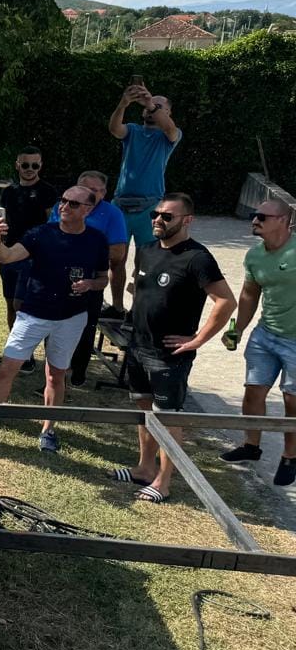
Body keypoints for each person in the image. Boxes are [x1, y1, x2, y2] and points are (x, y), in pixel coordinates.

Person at [106, 194, 233, 502]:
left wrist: (197, 340)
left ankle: (163, 483)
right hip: (138, 347)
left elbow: (225, 301)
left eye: (167, 216)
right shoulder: (147, 250)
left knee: (168, 418)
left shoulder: (197, 257)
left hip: (169, 356)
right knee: (144, 412)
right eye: (156, 214)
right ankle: (144, 469)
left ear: (187, 220)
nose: (158, 220)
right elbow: (141, 291)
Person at [0, 183, 110, 449]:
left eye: (73, 204)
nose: (64, 207)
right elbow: (6, 257)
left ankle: (48, 430)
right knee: (7, 368)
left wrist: (90, 285)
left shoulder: (97, 240)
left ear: (89, 209)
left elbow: (103, 279)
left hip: (71, 316)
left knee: (56, 374)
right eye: (62, 201)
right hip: (33, 314)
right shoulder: (41, 234)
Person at [222, 199, 296, 487]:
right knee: (253, 392)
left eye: (262, 216)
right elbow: (250, 294)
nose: (255, 220)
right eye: (254, 215)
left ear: (283, 220)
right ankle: (251, 446)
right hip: (265, 335)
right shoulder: (254, 255)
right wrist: (237, 329)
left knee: (292, 401)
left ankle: (290, 456)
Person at [107, 82, 182, 311]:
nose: (151, 109)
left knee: (145, 262)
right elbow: (114, 128)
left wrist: (150, 102)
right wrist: (124, 102)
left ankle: (137, 310)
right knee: (116, 259)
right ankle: (118, 307)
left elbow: (169, 128)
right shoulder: (133, 131)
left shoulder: (169, 137)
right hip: (120, 204)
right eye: (148, 106)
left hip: (149, 207)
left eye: (159, 107)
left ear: (167, 113)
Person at [54, 170, 130, 388]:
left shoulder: (112, 214)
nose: (91, 195)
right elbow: (51, 235)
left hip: (91, 281)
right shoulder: (65, 207)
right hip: (59, 279)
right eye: (86, 190)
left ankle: (79, 371)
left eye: (96, 191)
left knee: (85, 329)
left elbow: (117, 253)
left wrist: (83, 251)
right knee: (55, 327)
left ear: (104, 193)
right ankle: (56, 372)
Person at [0, 147, 59, 338]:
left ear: (41, 165)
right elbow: (1, 221)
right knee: (10, 304)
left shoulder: (48, 191)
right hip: (9, 256)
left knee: (25, 305)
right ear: (17, 165)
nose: (30, 169)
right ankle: (18, 353)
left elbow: (53, 225)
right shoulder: (9, 192)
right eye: (25, 164)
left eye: (35, 165)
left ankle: (26, 352)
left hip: (35, 259)